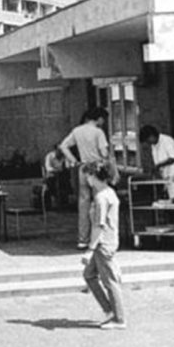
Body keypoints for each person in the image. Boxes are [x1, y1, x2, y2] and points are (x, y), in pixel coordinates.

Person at [59, 106, 117, 249]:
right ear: (99, 118)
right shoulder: (98, 132)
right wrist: (112, 169)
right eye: (103, 119)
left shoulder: (77, 131)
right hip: (97, 169)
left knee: (83, 204)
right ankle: (99, 237)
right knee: (100, 202)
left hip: (83, 168)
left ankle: (82, 239)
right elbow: (104, 153)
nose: (103, 122)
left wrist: (73, 160)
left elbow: (63, 146)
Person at [81, 161, 126, 329]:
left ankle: (119, 318)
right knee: (89, 275)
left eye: (88, 176)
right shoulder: (109, 193)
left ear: (93, 176)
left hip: (102, 243)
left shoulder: (101, 198)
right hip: (108, 240)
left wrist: (90, 249)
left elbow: (98, 226)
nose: (87, 179)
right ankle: (109, 310)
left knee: (110, 281)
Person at [43, 143, 70, 209]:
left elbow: (67, 166)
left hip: (61, 175)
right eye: (59, 150)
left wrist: (66, 166)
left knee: (65, 181)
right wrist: (56, 171)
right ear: (55, 150)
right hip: (51, 175)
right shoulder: (49, 156)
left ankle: (63, 199)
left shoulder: (64, 157)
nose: (61, 152)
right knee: (51, 181)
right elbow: (48, 167)